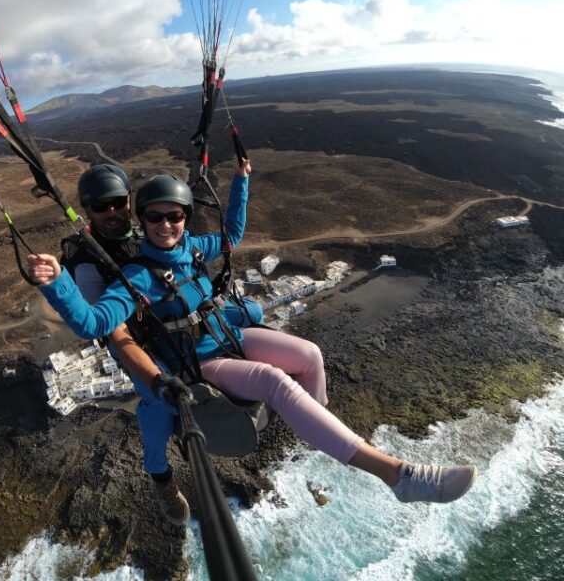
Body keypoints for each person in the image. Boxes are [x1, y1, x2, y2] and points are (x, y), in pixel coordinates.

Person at [28, 159, 477, 516]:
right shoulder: (125, 275)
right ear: (138, 219)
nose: (165, 223)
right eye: (155, 217)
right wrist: (55, 282)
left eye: (174, 216)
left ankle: (322, 435)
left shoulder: (189, 247)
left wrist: (241, 182)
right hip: (185, 360)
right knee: (191, 414)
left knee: (309, 355)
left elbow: (231, 236)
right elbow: (96, 325)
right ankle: (398, 476)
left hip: (226, 336)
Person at [56, 164, 263, 526]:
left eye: (118, 203)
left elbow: (206, 244)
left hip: (173, 325)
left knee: (253, 312)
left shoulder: (144, 231)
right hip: (138, 343)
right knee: (158, 406)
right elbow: (111, 330)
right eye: (101, 207)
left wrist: (237, 181)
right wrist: (153, 376)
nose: (112, 213)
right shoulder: (86, 260)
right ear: (87, 210)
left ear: (129, 202)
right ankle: (161, 476)